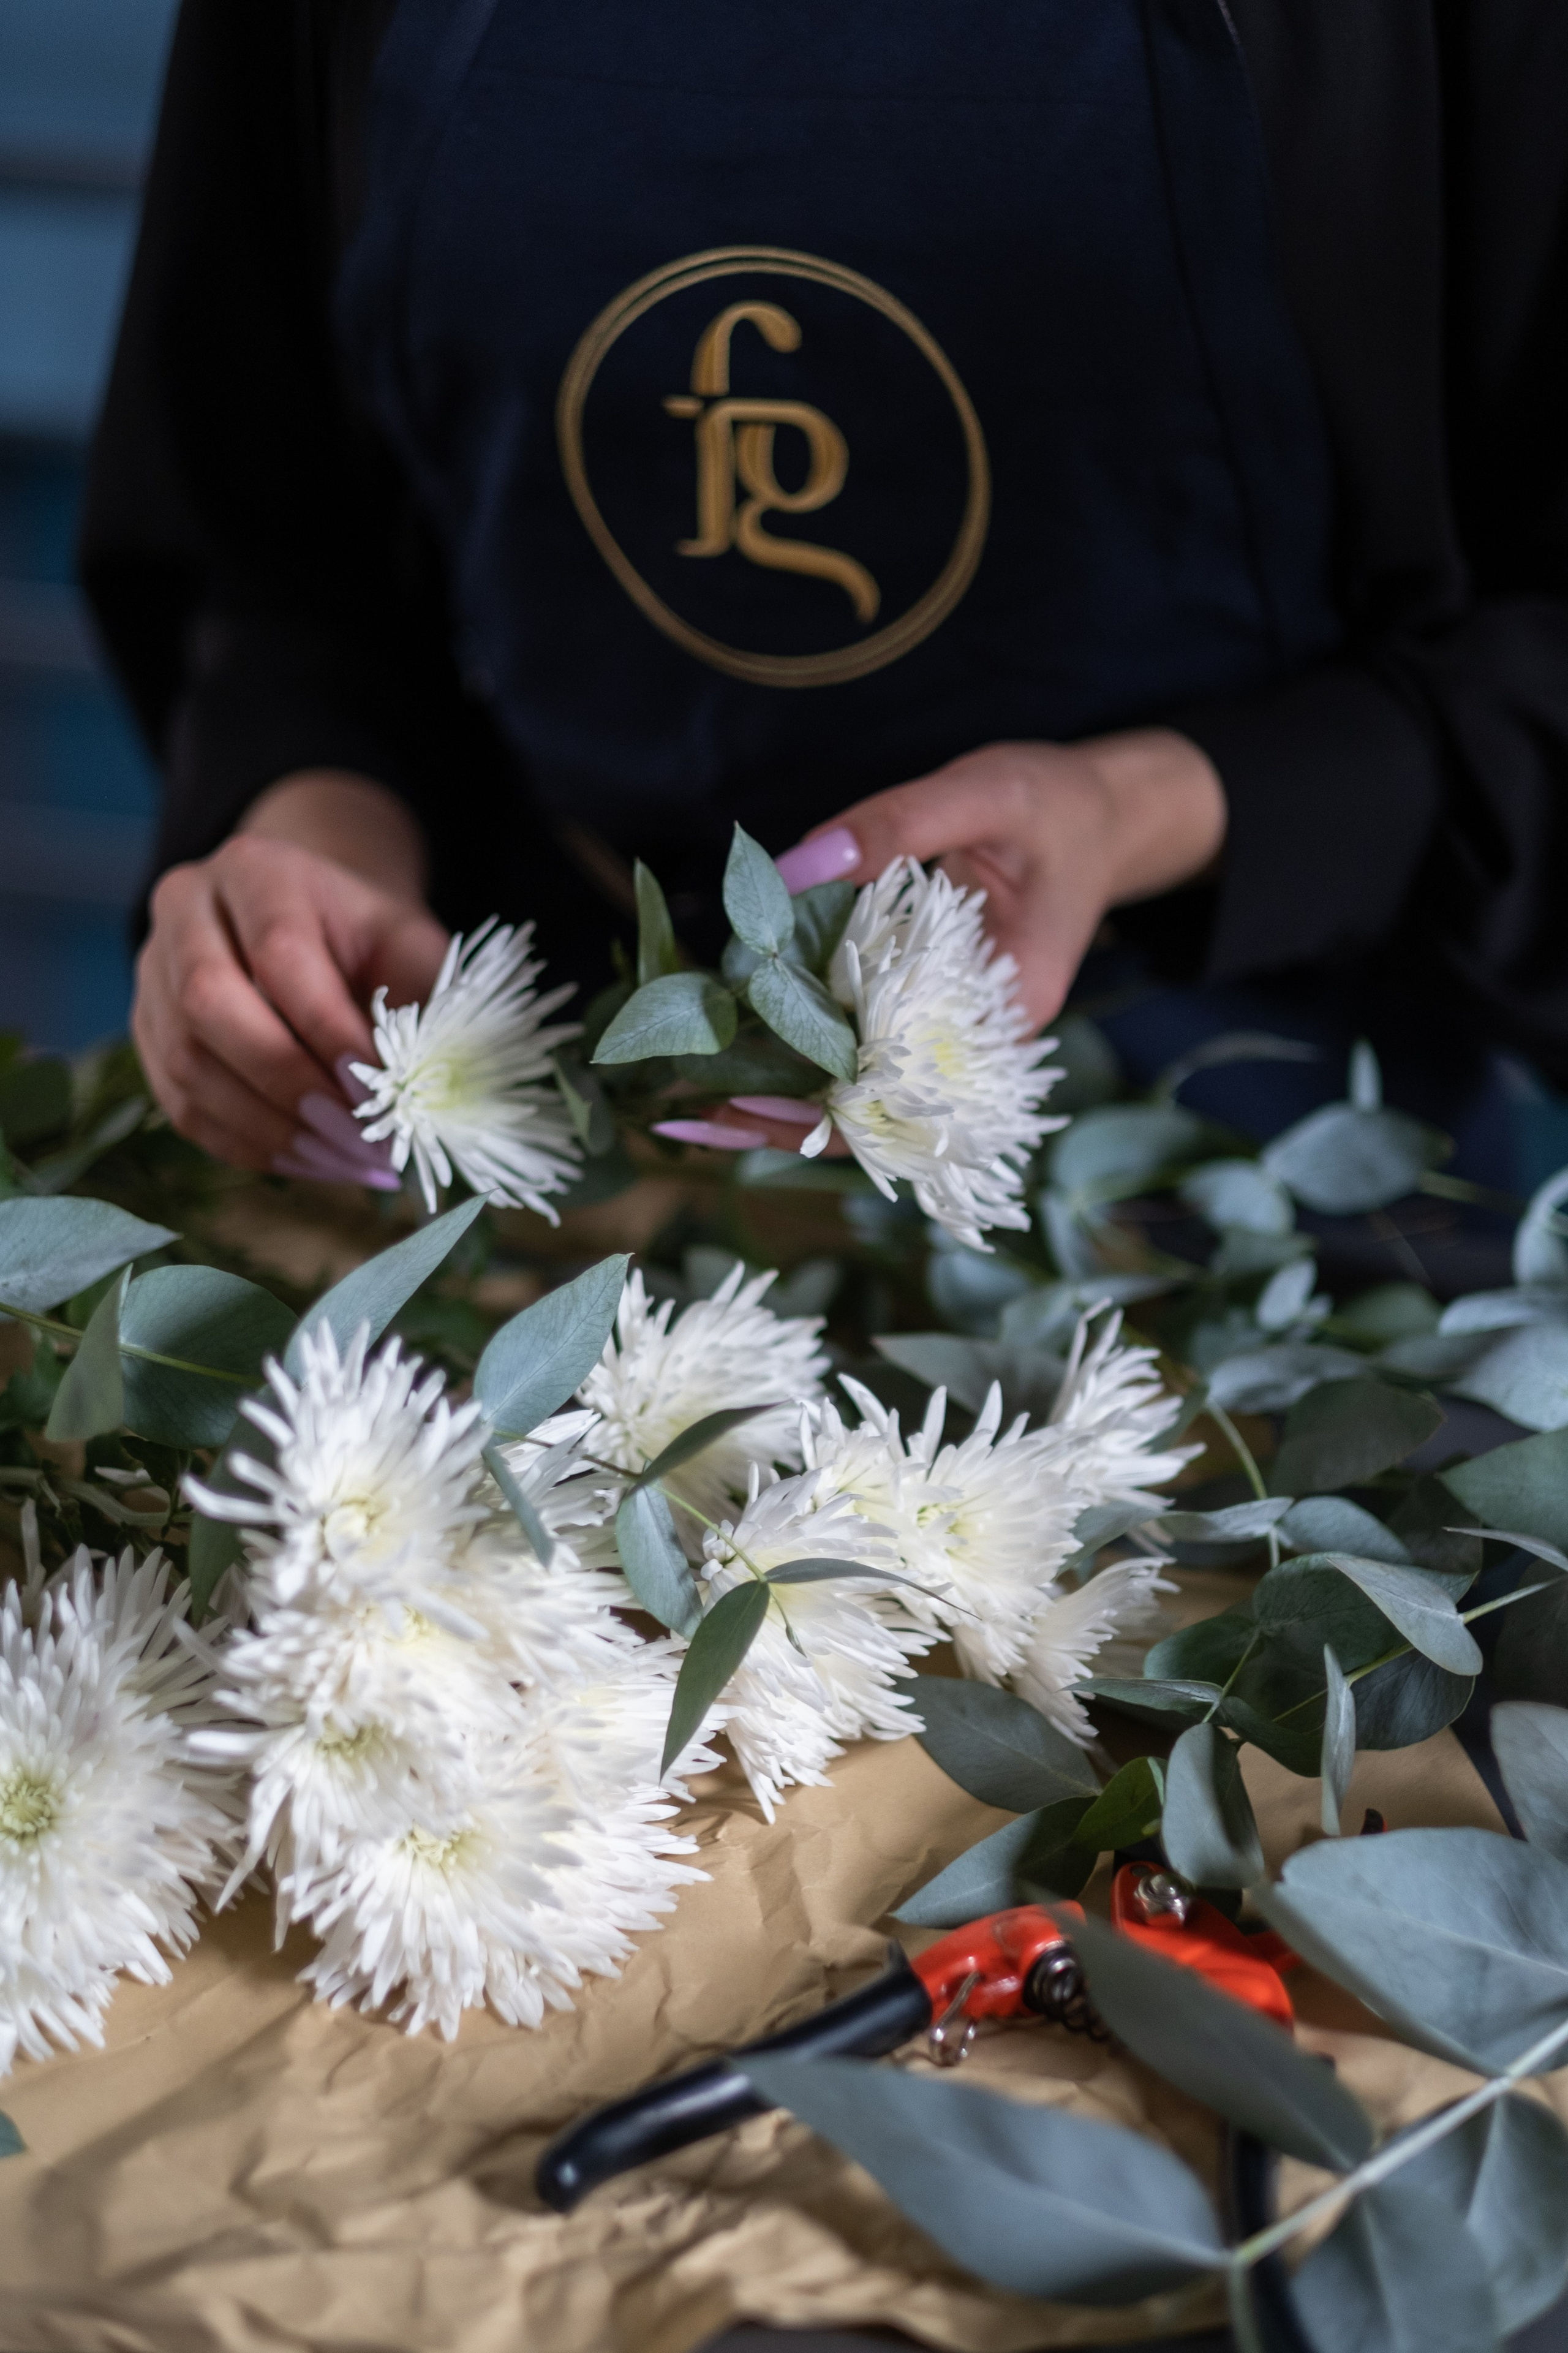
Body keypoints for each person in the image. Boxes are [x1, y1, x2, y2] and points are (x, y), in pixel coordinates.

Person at [82, 0, 1568, 1192]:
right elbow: (265, 547)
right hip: (529, 1141)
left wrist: (1132, 809)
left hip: (1258, 1168)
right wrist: (310, 826)